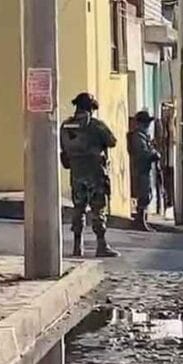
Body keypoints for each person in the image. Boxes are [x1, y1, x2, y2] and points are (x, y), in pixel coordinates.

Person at [60, 92, 119, 258]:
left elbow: (63, 148)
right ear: (91, 108)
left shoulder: (66, 126)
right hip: (95, 173)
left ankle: (77, 245)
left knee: (78, 208)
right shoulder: (95, 125)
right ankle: (101, 244)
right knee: (98, 207)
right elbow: (112, 141)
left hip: (76, 173)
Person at [127, 110, 161, 232]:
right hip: (140, 169)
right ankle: (140, 221)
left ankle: (142, 221)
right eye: (145, 123)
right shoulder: (138, 137)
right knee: (143, 195)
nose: (147, 126)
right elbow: (142, 153)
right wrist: (154, 154)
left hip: (145, 169)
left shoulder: (143, 137)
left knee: (147, 194)